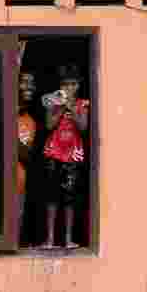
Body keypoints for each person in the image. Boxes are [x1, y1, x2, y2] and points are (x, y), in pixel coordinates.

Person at [41, 65, 89, 249]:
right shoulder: (53, 102)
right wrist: (60, 107)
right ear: (60, 86)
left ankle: (68, 239)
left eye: (73, 84)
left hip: (73, 155)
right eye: (66, 84)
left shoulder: (83, 104)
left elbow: (83, 127)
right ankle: (50, 239)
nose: (70, 88)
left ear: (78, 85)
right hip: (54, 153)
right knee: (51, 197)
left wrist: (71, 107)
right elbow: (49, 125)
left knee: (70, 198)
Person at [17, 72, 37, 241]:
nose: (29, 86)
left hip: (18, 189)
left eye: (32, 83)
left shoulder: (30, 121)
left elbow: (27, 156)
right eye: (24, 82)